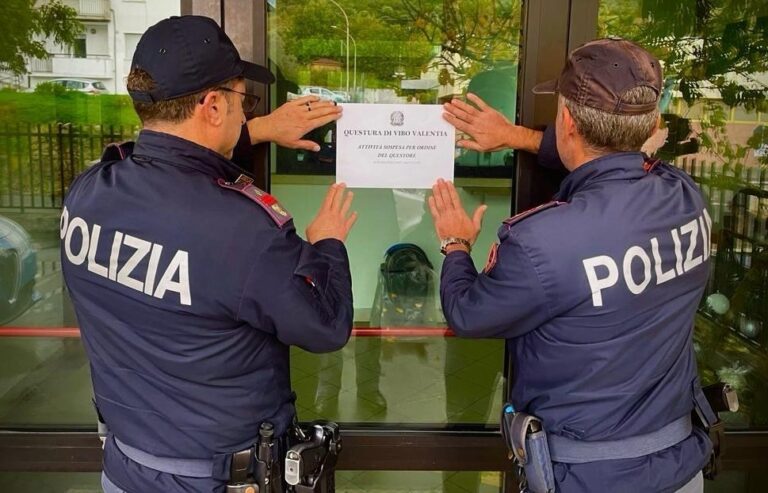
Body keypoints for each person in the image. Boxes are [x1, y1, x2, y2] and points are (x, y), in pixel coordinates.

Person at [60, 15, 357, 493]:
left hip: (123, 469)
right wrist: (327, 243)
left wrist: (259, 130)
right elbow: (325, 326)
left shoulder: (90, 191)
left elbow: (168, 158)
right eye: (245, 102)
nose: (246, 114)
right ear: (213, 105)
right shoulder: (242, 231)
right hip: (215, 480)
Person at [431, 38, 714, 492]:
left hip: (590, 478)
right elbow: (620, 165)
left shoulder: (541, 242)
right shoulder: (684, 196)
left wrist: (455, 242)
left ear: (565, 120)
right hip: (679, 465)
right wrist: (513, 136)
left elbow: (468, 313)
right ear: (654, 123)